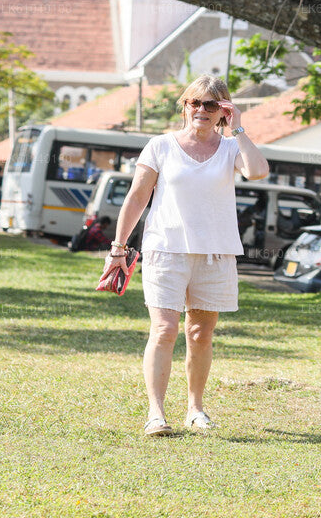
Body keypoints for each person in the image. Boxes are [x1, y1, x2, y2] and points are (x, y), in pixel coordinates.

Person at [108, 75, 269, 437]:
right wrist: (119, 248)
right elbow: (137, 198)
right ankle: (155, 413)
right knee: (164, 329)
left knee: (199, 333)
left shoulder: (231, 148)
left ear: (223, 111)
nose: (201, 110)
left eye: (212, 104)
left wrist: (239, 127)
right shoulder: (160, 145)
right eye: (195, 103)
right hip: (166, 249)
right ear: (184, 106)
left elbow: (258, 172)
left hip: (214, 253)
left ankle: (195, 408)